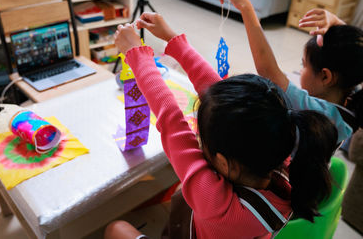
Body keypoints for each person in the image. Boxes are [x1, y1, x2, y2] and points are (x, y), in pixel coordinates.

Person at [104, 13, 338, 239]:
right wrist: (172, 40)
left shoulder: (217, 205)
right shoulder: (283, 157)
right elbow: (218, 97)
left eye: (201, 138)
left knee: (115, 229)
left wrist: (136, 55)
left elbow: (171, 121)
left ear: (224, 163)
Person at [218, 0, 363, 145]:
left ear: (325, 76)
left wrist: (246, 8)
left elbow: (268, 70)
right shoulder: (348, 98)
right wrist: (338, 25)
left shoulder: (319, 113)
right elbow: (356, 57)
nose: (300, 72)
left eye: (304, 66)